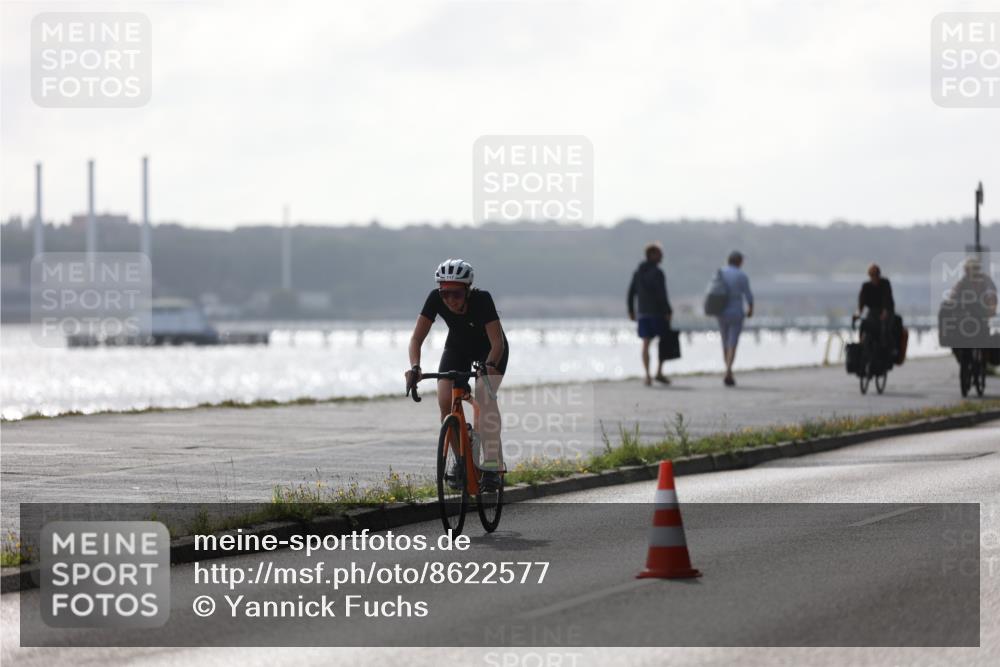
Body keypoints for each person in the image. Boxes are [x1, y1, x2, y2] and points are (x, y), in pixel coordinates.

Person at [405, 259, 508, 490]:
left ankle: (491, 465)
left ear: (468, 291)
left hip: (490, 350)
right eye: (445, 294)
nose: (450, 300)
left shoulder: (483, 300)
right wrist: (415, 367)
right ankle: (462, 461)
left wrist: (489, 366)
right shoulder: (435, 298)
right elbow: (416, 339)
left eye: (457, 294)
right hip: (458, 347)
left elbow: (497, 342)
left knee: (484, 398)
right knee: (444, 401)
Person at [627, 242, 673, 386]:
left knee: (646, 343)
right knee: (664, 341)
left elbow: (630, 293)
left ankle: (647, 375)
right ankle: (658, 371)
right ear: (652, 254)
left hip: (643, 313)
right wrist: (668, 310)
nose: (662, 256)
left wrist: (631, 310)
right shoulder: (658, 273)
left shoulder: (638, 273)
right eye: (659, 253)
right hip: (657, 313)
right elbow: (662, 294)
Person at [941, 255, 997, 349]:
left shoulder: (985, 280)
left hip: (982, 316)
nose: (970, 271)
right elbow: (953, 295)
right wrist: (952, 303)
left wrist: (990, 307)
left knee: (984, 339)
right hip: (966, 317)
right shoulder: (963, 282)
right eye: (968, 269)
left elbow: (991, 294)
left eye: (974, 268)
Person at [717, 250, 753, 386]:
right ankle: (728, 370)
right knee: (733, 342)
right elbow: (748, 295)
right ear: (739, 261)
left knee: (724, 341)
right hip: (736, 312)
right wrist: (750, 308)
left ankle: (727, 370)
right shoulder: (741, 275)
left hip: (720, 311)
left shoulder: (720, 272)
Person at [855, 263, 895, 354]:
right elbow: (861, 302)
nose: (874, 277)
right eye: (872, 275)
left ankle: (887, 349)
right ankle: (861, 344)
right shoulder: (866, 286)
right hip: (873, 312)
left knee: (885, 328)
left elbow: (886, 298)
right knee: (864, 324)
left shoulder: (885, 283)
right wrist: (858, 313)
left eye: (876, 275)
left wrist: (885, 312)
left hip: (887, 311)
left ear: (879, 274)